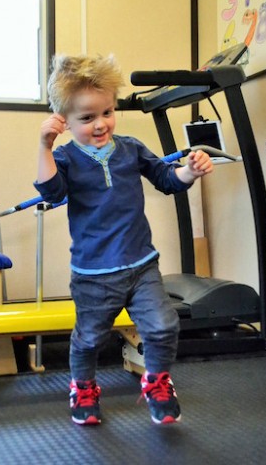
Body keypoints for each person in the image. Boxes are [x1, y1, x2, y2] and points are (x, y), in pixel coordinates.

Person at [34, 54, 214, 426]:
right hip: (93, 274)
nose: (100, 125)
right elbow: (52, 192)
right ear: (65, 121)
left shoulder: (131, 148)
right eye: (86, 118)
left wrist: (190, 172)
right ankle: (82, 388)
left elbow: (167, 181)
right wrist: (45, 146)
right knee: (88, 340)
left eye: (107, 113)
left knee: (164, 326)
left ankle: (157, 382)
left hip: (141, 266)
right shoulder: (66, 157)